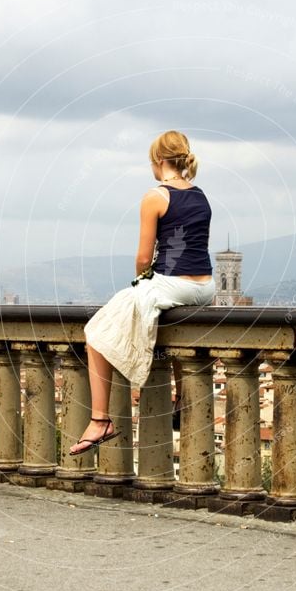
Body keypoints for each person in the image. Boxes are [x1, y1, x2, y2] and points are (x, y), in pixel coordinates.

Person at [69, 130, 215, 456]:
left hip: (172, 283)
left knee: (95, 333)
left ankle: (99, 420)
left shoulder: (155, 196)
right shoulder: (200, 195)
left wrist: (142, 282)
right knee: (166, 325)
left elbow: (142, 257)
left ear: (158, 161)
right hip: (206, 287)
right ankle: (181, 397)